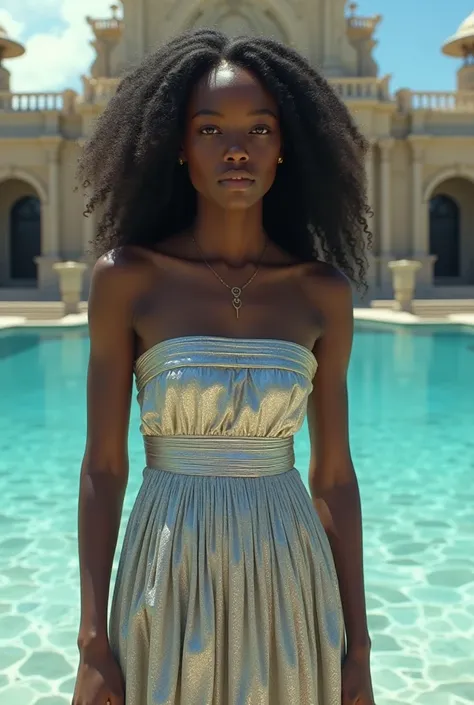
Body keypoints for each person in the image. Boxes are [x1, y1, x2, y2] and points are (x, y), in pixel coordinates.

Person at [72, 27, 375, 705]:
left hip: (289, 571)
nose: (236, 149)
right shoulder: (128, 279)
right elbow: (103, 466)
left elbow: (333, 477)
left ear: (285, 145)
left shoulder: (321, 291)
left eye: (259, 129)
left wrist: (360, 646)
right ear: (177, 146)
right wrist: (93, 639)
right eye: (210, 129)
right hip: (166, 569)